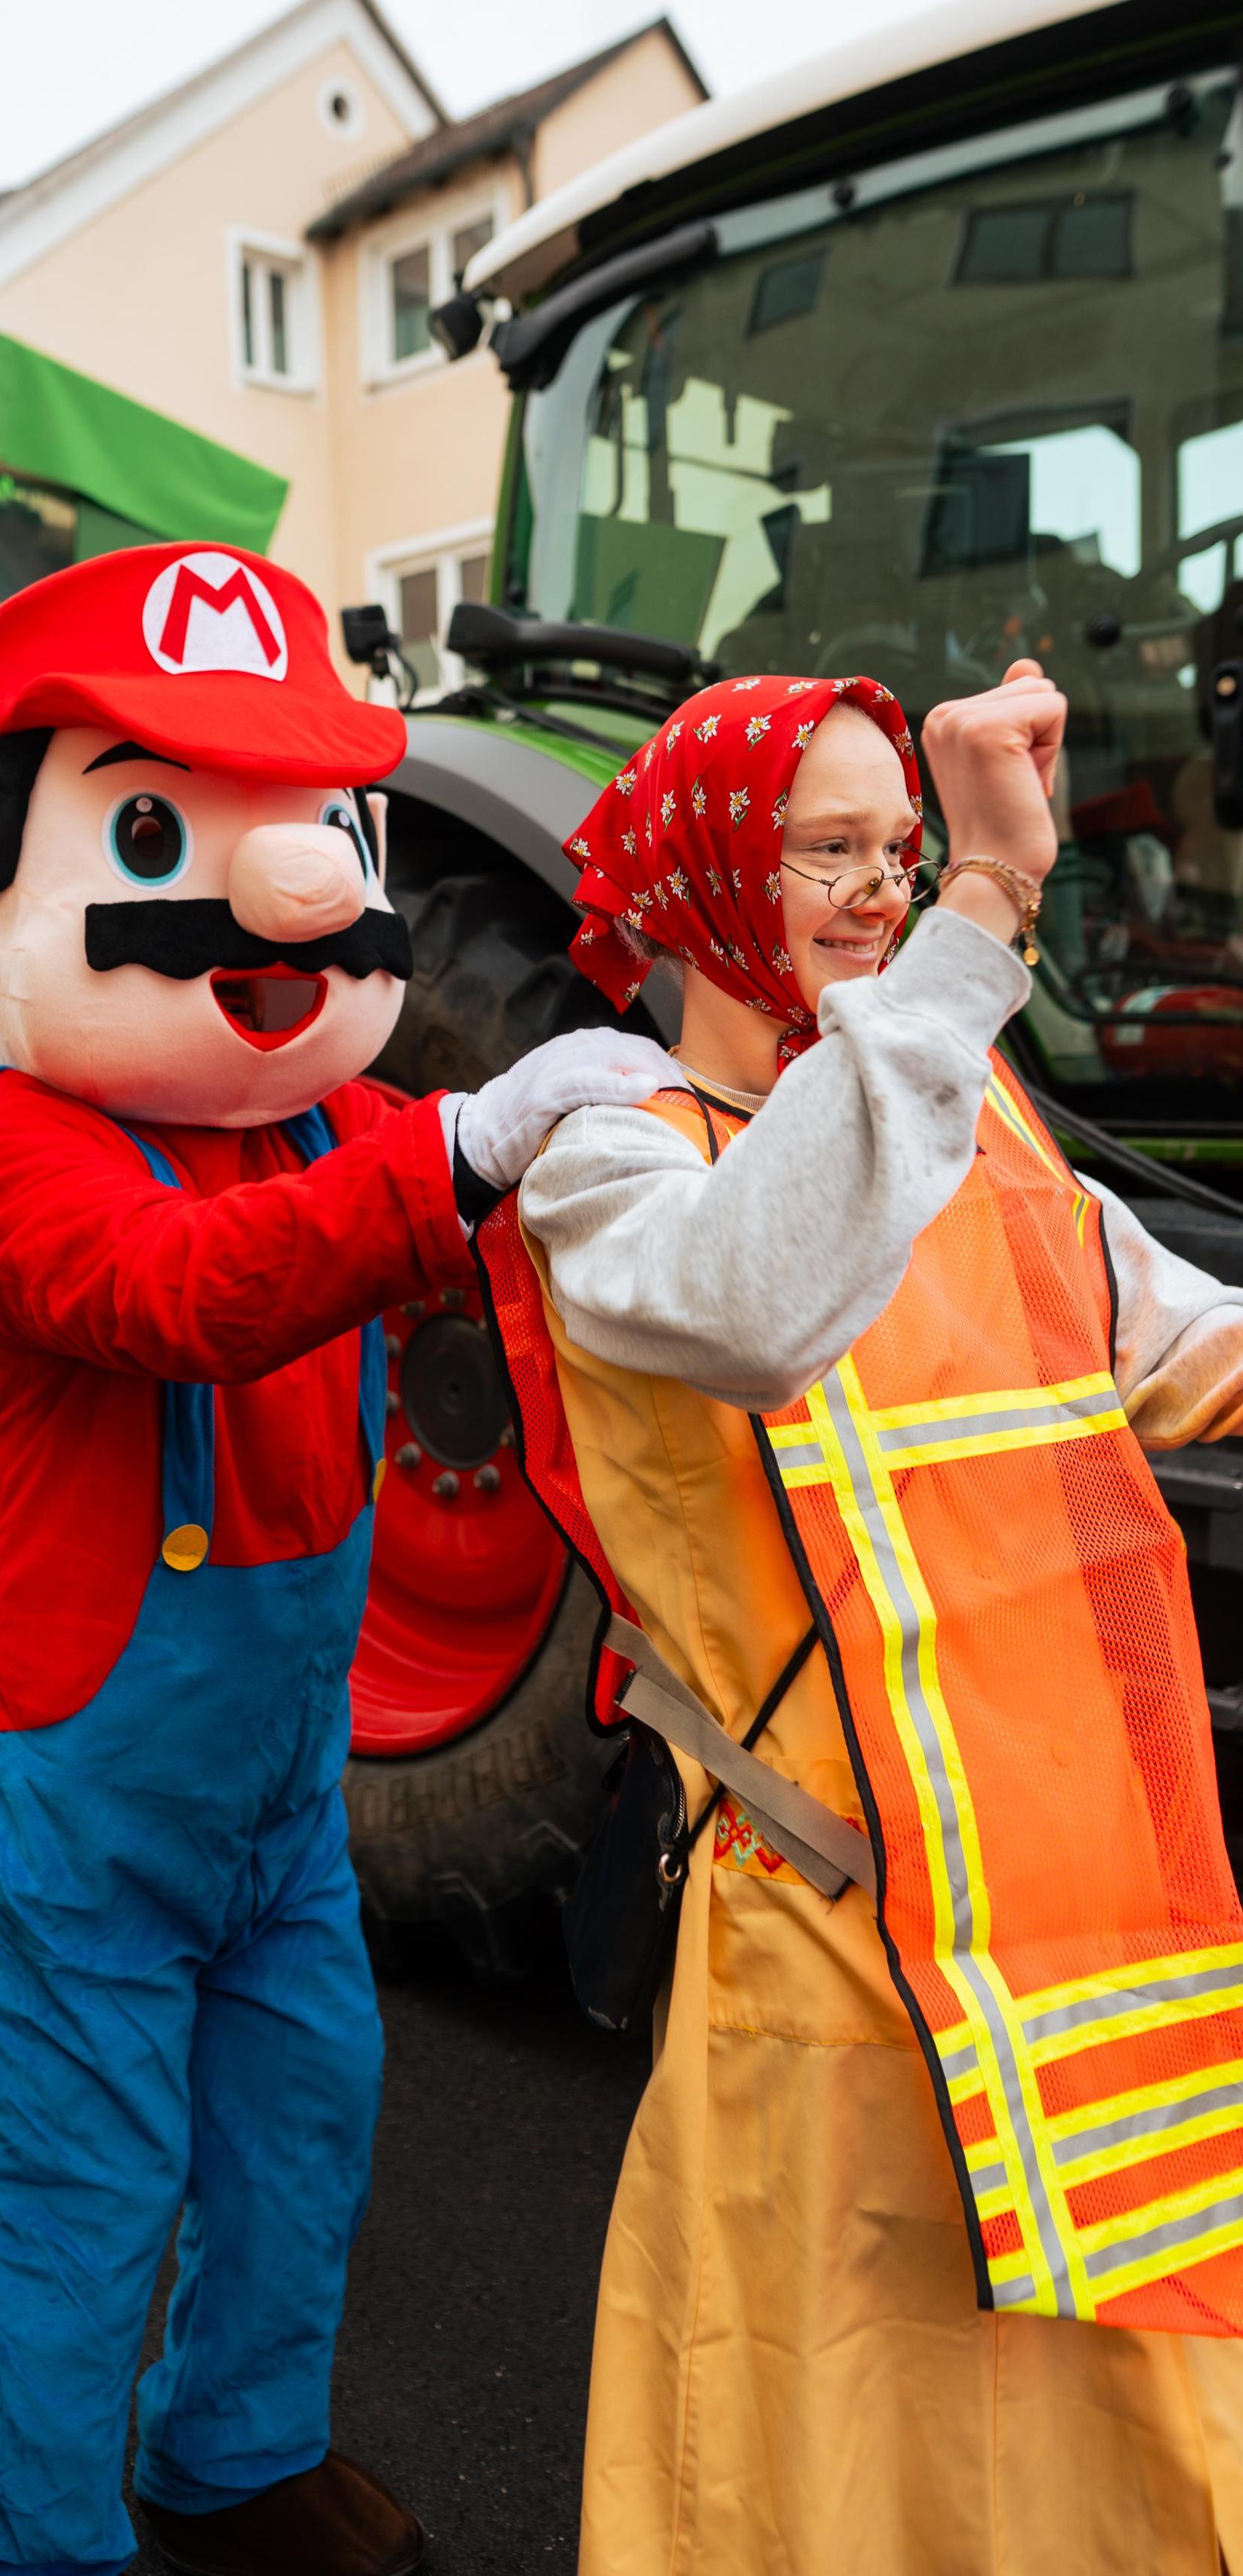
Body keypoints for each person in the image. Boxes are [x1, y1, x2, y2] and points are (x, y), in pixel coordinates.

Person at [0, 541, 672, 2576]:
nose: (303, 891)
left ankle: (233, 2448)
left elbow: (445, 1264)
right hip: (73, 1782)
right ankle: (11, 2536)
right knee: (78, 2188)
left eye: (321, 821)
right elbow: (179, 1291)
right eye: (159, 827)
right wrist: (465, 1149)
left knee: (299, 2124)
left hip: (273, 1791)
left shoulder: (317, 1126)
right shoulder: (11, 1149)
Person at [479, 661, 1243, 2574]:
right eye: (826, 846)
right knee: (820, 2431)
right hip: (819, 1938)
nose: (879, 891)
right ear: (707, 872)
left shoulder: (978, 1122)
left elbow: (1168, 1339)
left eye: (901, 852)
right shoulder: (616, 1156)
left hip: (1057, 1923)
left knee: (1089, 2404)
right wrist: (986, 915)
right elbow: (760, 1296)